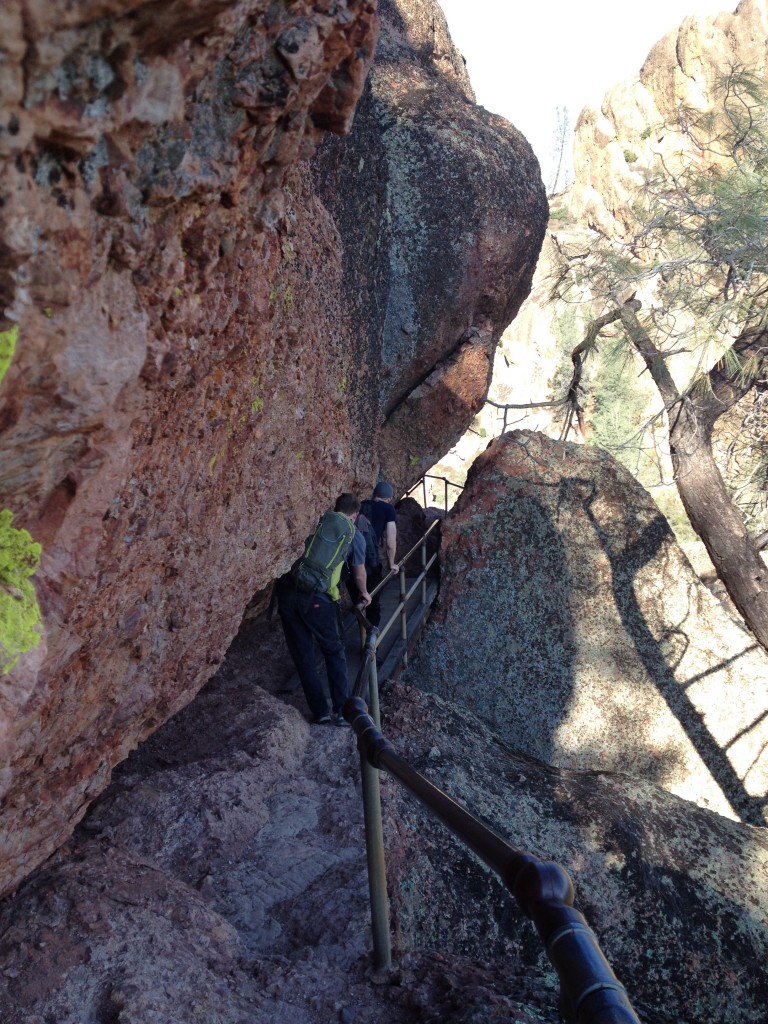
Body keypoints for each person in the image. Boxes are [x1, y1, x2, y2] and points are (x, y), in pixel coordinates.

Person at [277, 493, 371, 726]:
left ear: (335, 507)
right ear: (355, 514)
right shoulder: (354, 536)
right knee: (334, 652)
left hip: (288, 593)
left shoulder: (317, 523)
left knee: (304, 655)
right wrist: (365, 593)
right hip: (319, 600)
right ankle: (341, 710)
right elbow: (358, 573)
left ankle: (320, 712)